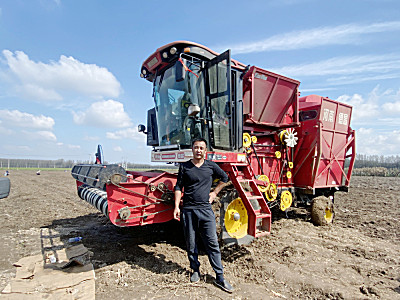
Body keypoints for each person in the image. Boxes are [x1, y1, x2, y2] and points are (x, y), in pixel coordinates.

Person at [174, 138, 234, 293]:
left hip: (206, 210)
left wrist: (214, 192)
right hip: (188, 210)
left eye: (201, 148)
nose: (198, 150)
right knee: (191, 243)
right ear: (192, 149)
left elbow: (225, 178)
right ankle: (195, 270)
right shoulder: (185, 166)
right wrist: (176, 207)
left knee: (212, 243)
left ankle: (219, 277)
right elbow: (179, 186)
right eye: (196, 147)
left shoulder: (211, 166)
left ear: (205, 151)